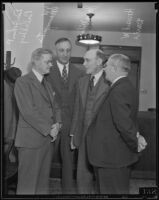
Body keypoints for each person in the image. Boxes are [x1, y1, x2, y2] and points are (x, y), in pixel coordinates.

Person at [85, 54, 147, 194]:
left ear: (113, 68)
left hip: (112, 158)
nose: (104, 69)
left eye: (106, 66)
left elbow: (123, 123)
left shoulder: (119, 89)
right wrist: (136, 136)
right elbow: (127, 119)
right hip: (114, 156)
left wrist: (135, 142)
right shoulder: (125, 86)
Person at [14, 48, 62, 194]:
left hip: (47, 141)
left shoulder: (47, 83)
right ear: (35, 61)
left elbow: (56, 106)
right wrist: (50, 128)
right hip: (31, 142)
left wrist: (58, 124)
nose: (51, 65)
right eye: (48, 61)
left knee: (42, 185)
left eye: (51, 61)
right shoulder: (22, 82)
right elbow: (29, 111)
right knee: (27, 186)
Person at [46, 38, 84, 194]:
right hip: (50, 123)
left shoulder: (79, 72)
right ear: (56, 51)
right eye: (61, 50)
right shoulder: (47, 70)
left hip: (70, 124)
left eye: (68, 50)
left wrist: (76, 126)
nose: (65, 53)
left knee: (68, 161)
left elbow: (80, 102)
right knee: (45, 159)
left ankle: (67, 193)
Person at [70, 49, 110, 194]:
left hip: (103, 139)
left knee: (103, 178)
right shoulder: (81, 81)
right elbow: (77, 110)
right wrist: (74, 134)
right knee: (82, 176)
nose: (83, 63)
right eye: (84, 60)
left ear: (99, 62)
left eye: (87, 60)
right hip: (83, 136)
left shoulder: (111, 81)